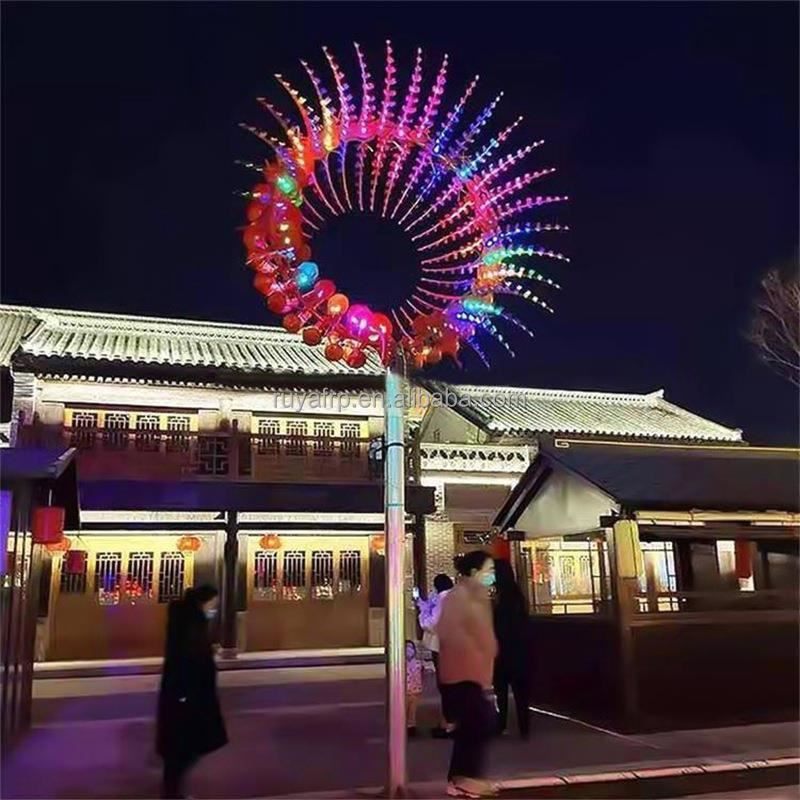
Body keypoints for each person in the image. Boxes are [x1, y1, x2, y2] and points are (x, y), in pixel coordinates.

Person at [436, 551, 498, 798]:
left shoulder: (476, 595)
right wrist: (476, 652)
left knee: (472, 725)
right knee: (481, 721)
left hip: (473, 672)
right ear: (475, 572)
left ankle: (460, 778)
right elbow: (449, 632)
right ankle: (465, 777)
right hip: (463, 673)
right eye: (489, 570)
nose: (492, 576)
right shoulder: (459, 596)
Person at [156, 585, 228, 799]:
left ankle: (173, 792)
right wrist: (185, 695)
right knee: (183, 749)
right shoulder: (191, 625)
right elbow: (187, 662)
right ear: (203, 602)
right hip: (187, 697)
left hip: (186, 695)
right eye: (213, 604)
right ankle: (172, 794)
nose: (214, 609)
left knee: (181, 750)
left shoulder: (188, 623)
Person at [492, 559, 531, 738]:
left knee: (501, 691)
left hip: (503, 651)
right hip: (519, 651)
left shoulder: (500, 597)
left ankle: (502, 724)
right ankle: (524, 727)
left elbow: (499, 625)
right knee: (520, 692)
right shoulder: (517, 595)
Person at [417, 573, 455, 737]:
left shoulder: (442, 600)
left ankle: (449, 723)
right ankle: (449, 721)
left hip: (442, 647)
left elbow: (432, 624)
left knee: (445, 686)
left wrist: (423, 613)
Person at [405, 640, 423, 736]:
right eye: (406, 647)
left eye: (411, 647)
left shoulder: (418, 663)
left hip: (415, 691)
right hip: (405, 691)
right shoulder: (401, 664)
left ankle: (411, 726)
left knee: (412, 710)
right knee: (405, 709)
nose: (409, 650)